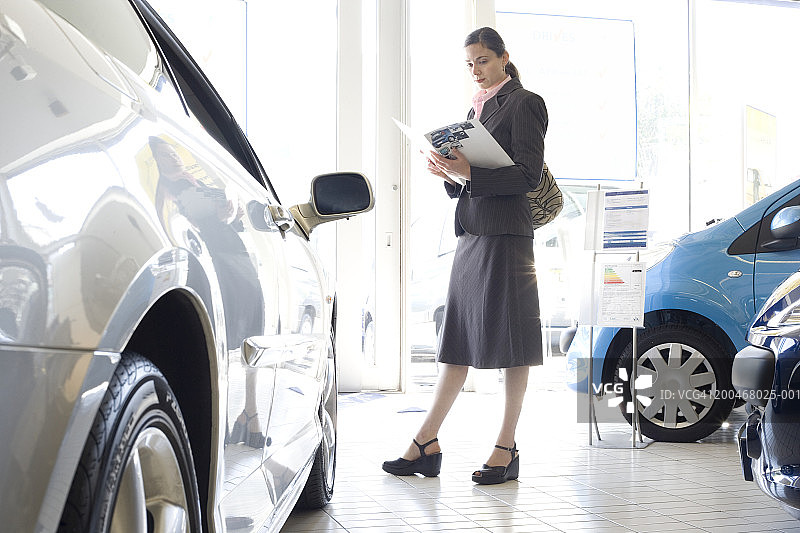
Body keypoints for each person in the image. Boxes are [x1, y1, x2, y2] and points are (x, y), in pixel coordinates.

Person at [382, 27, 548, 485]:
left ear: (504, 58)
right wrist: (449, 173)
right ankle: (425, 442)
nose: (476, 70)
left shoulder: (525, 103)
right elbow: (472, 178)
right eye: (470, 63)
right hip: (473, 234)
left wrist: (470, 172)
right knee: (456, 339)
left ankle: (506, 447)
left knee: (513, 342)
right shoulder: (474, 110)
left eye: (483, 61)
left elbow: (528, 175)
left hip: (507, 236)